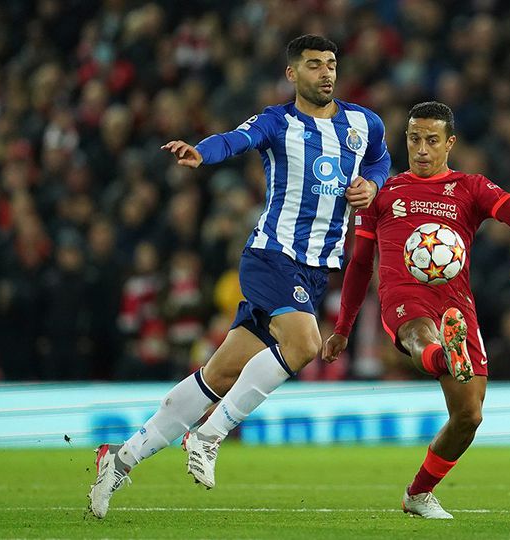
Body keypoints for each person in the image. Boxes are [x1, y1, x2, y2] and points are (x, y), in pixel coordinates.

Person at [88, 34, 390, 519]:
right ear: (293, 74)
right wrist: (202, 153)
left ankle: (120, 460)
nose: (327, 73)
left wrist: (371, 184)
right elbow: (235, 138)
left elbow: (379, 158)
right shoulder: (278, 121)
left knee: (220, 373)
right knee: (305, 344)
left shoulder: (363, 123)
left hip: (315, 269)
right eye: (314, 65)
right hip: (272, 255)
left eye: (332, 64)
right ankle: (208, 436)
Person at [322, 101, 510, 519]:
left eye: (431, 140)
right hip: (403, 295)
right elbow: (359, 263)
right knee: (419, 334)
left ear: (449, 144)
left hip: (456, 304)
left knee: (469, 416)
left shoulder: (469, 187)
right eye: (414, 139)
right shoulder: (381, 192)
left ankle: (418, 494)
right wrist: (343, 327)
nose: (421, 149)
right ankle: (444, 356)